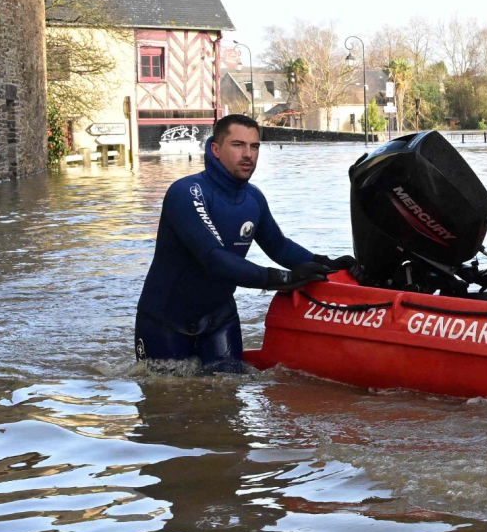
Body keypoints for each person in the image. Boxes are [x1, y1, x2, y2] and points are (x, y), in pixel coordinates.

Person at [135, 112, 345, 375]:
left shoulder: (253, 198)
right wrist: (283, 278)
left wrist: (327, 265)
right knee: (169, 405)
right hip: (165, 323)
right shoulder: (187, 192)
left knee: (229, 402)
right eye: (238, 145)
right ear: (216, 149)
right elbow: (214, 258)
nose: (248, 154)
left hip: (220, 321)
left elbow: (278, 246)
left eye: (254, 146)